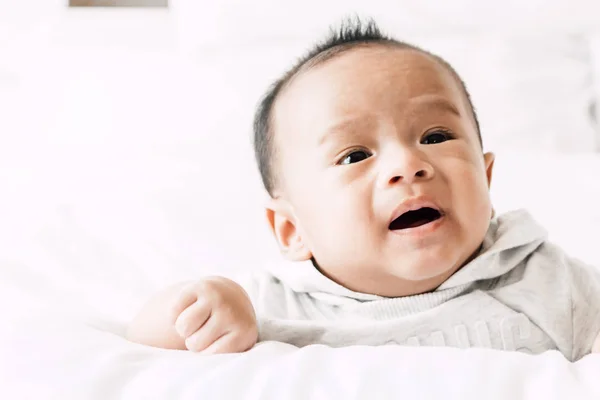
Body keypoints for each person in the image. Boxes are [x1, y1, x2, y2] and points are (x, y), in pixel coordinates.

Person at [126, 18, 600, 362]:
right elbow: (142, 345)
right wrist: (196, 311)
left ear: (486, 177)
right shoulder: (272, 304)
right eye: (355, 156)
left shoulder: (545, 281)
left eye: (435, 137)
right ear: (292, 230)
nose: (409, 165)